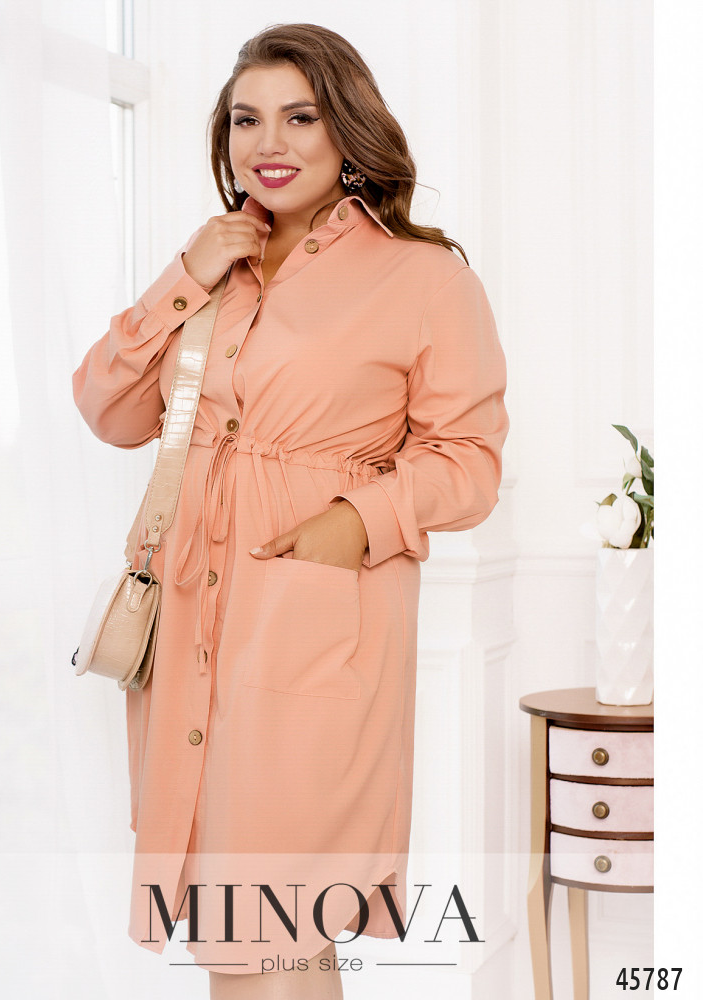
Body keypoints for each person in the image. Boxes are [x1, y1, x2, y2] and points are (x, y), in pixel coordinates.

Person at [72, 22, 509, 1000]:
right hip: (193, 621)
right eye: (245, 120)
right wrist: (183, 275)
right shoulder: (211, 272)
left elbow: (469, 463)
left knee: (272, 926)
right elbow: (108, 409)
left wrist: (353, 521)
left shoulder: (425, 277)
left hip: (314, 622)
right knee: (246, 930)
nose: (267, 142)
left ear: (347, 131)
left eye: (299, 117)